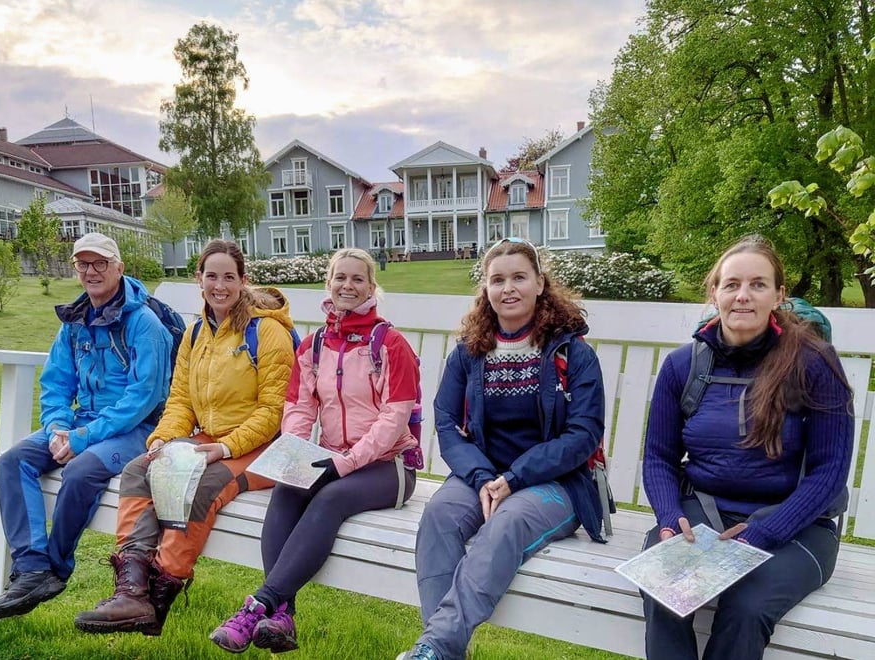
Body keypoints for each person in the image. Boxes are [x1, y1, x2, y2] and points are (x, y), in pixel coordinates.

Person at [640, 235, 853, 660]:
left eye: (758, 284)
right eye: (732, 283)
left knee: (745, 609)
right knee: (665, 593)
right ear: (714, 292)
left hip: (795, 525)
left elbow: (829, 473)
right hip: (702, 513)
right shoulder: (683, 365)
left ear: (778, 295)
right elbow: (658, 458)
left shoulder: (814, 362)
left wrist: (763, 533)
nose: (743, 295)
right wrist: (669, 518)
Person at [72, 239, 297, 636]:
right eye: (212, 276)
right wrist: (163, 439)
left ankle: (160, 593)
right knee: (141, 468)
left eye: (229, 277)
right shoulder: (195, 333)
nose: (220, 286)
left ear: (243, 280)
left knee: (202, 481)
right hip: (212, 437)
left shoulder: (267, 332)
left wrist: (225, 447)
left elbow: (273, 411)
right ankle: (131, 589)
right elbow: (180, 400)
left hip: (265, 447)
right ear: (200, 279)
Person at [402, 237, 607, 660]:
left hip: (556, 482)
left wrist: (514, 479)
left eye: (519, 277)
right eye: (497, 280)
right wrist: (482, 478)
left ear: (539, 284)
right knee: (439, 514)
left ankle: (436, 646)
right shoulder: (470, 352)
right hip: (483, 475)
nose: (508, 288)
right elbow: (446, 423)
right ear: (486, 290)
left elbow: (583, 434)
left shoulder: (573, 352)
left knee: (508, 522)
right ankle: (442, 650)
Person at [209, 247, 421, 655]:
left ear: (371, 287)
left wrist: (343, 464)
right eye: (340, 277)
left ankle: (260, 604)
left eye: (358, 279)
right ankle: (282, 616)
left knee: (329, 497)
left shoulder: (389, 344)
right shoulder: (315, 345)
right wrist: (295, 454)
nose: (348, 285)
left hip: (387, 466)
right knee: (287, 488)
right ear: (329, 283)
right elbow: (299, 408)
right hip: (332, 460)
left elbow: (392, 420)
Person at [0, 233, 173, 619]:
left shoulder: (144, 323)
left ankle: (55, 567)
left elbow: (143, 398)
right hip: (81, 425)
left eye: (100, 263)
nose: (91, 271)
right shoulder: (73, 322)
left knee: (82, 470)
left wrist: (83, 438)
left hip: (137, 430)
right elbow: (55, 384)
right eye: (83, 264)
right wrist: (56, 429)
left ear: (119, 268)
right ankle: (33, 569)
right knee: (11, 461)